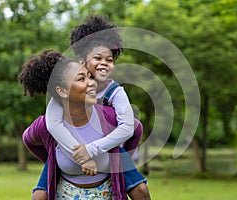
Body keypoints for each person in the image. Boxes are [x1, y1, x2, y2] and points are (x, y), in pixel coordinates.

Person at [32, 15, 150, 200]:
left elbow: (130, 127)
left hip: (105, 147)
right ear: (81, 59)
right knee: (39, 195)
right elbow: (52, 124)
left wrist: (103, 152)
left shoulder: (115, 92)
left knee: (140, 190)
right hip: (69, 147)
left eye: (109, 59)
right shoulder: (69, 88)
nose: (104, 63)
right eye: (98, 58)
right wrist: (79, 155)